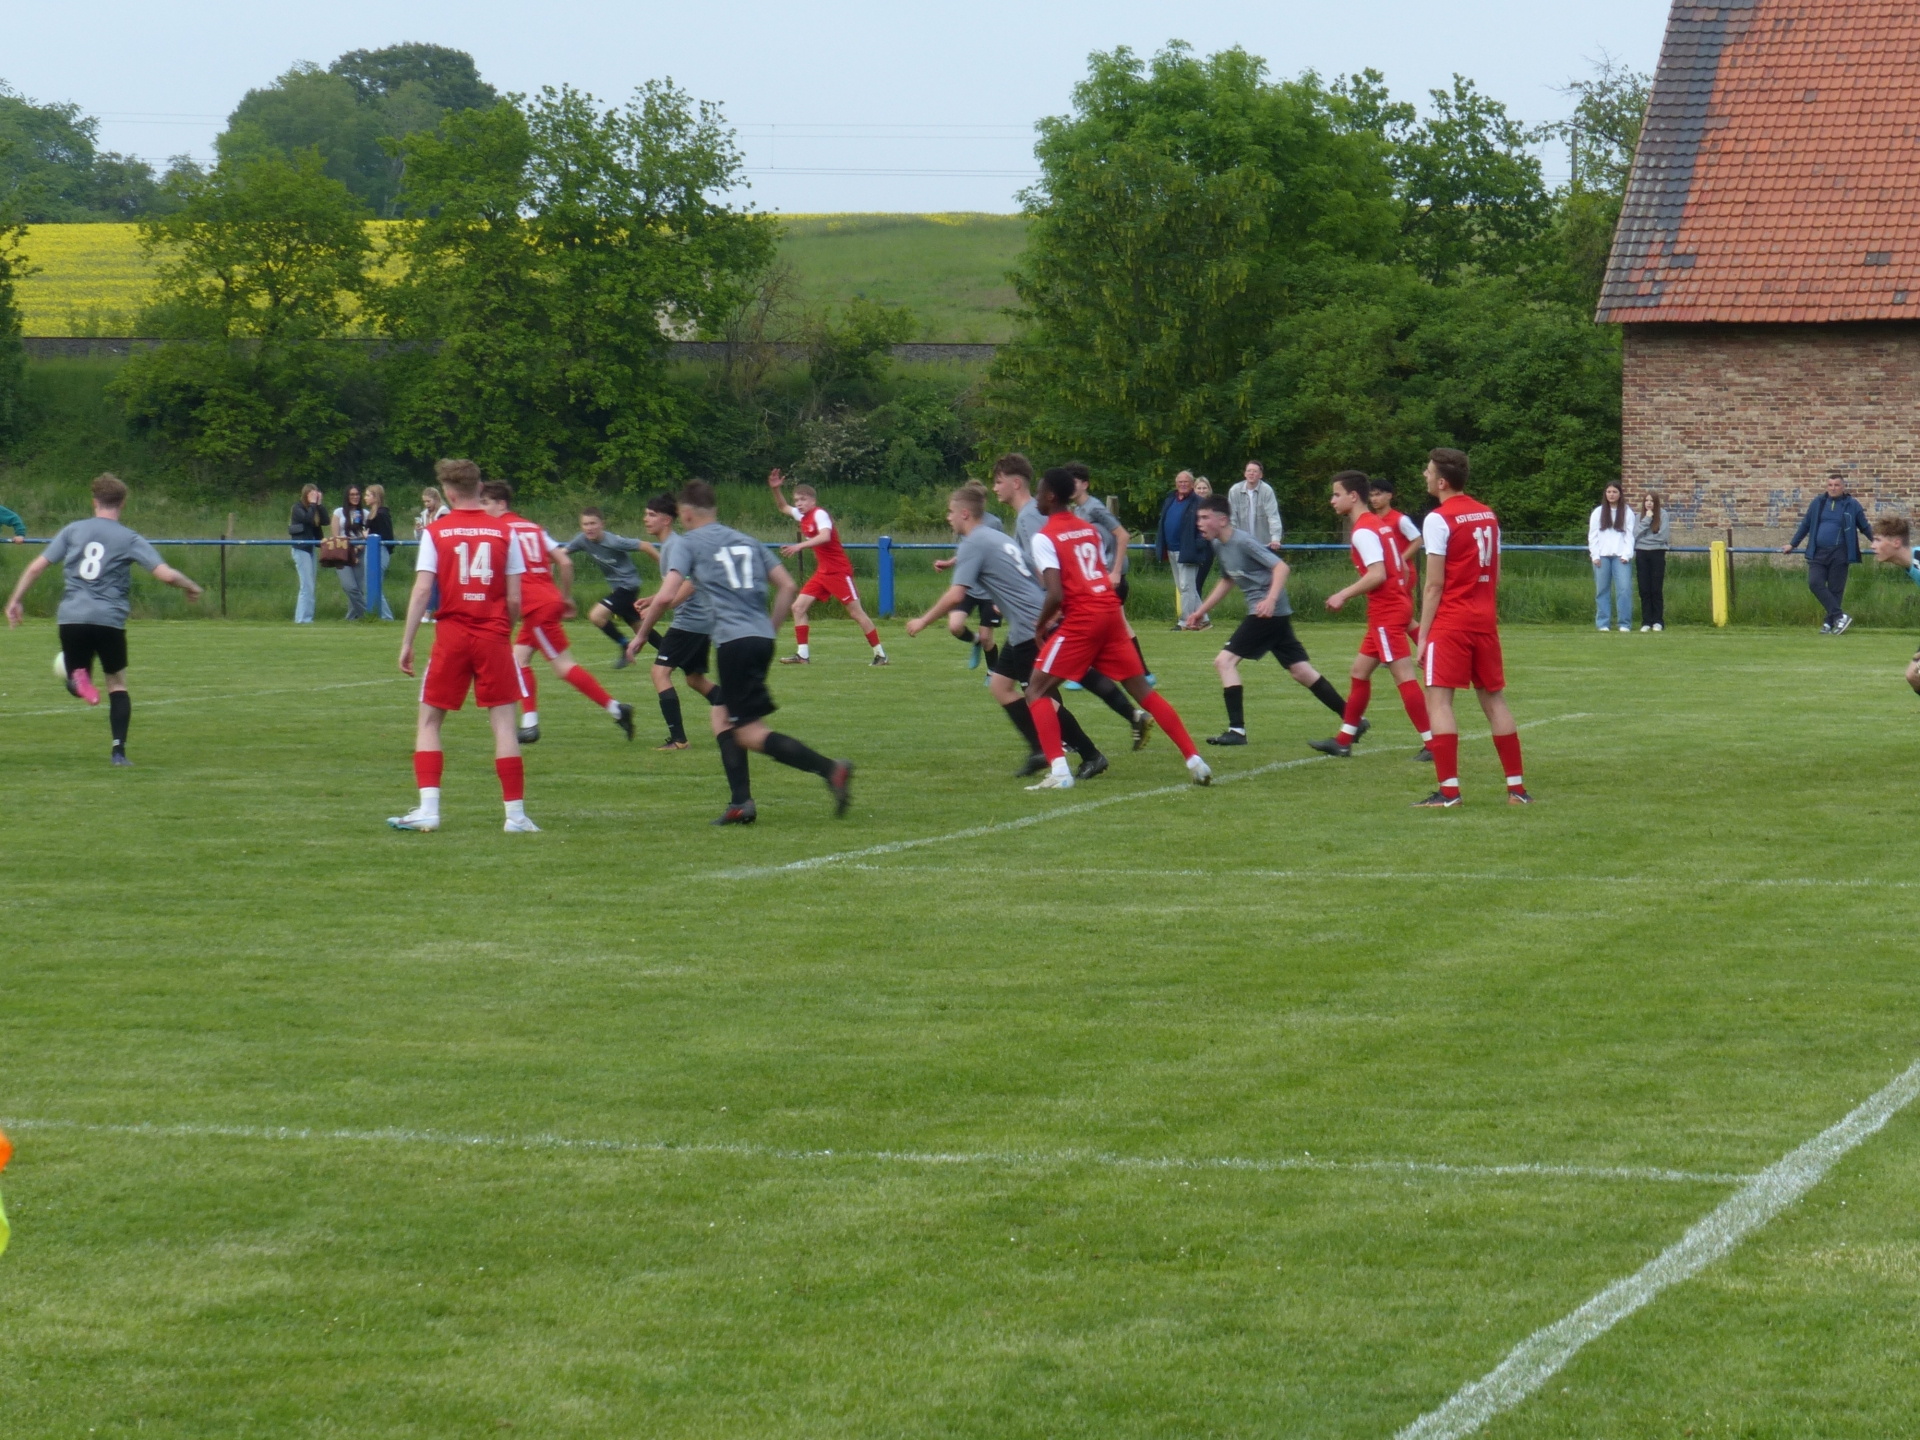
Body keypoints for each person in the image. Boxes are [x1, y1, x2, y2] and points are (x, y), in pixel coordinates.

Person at [637, 480, 853, 825]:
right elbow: (787, 586)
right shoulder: (747, 540)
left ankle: (831, 770)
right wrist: (770, 629)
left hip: (733, 643)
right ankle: (740, 803)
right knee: (722, 717)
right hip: (758, 639)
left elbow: (665, 596)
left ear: (685, 514)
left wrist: (640, 637)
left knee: (749, 732)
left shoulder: (688, 542)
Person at [1024, 467, 1211, 790]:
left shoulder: (1044, 536)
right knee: (1144, 692)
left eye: (1040, 491)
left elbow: (1055, 593)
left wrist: (1041, 625)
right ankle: (1195, 760)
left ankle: (1060, 771)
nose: (1036, 498)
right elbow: (1091, 574)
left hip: (1084, 618)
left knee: (1035, 690)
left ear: (1051, 496)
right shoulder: (1087, 530)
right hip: (1110, 612)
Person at [904, 484, 1107, 779]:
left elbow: (956, 594)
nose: (948, 517)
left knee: (1039, 696)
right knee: (1000, 686)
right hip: (1026, 624)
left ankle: (1090, 754)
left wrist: (923, 621)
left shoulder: (974, 542)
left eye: (950, 512)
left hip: (1029, 627)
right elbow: (1036, 571)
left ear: (964, 513)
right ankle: (1039, 748)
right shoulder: (996, 536)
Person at [5, 473, 204, 766]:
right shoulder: (129, 538)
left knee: (76, 672)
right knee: (117, 684)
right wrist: (190, 586)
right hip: (108, 619)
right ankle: (118, 753)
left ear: (94, 502)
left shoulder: (73, 530)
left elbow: (37, 567)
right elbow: (165, 574)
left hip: (71, 617)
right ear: (122, 503)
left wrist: (15, 600)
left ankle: (78, 680)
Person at [389, 459, 537, 834]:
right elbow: (515, 598)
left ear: (448, 493)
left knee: (429, 721)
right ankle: (516, 816)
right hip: (493, 635)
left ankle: (429, 809)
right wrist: (502, 629)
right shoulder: (505, 532)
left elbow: (423, 589)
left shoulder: (436, 531)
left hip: (452, 635)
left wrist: (408, 642)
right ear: (480, 488)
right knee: (504, 726)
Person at [992, 452, 1151, 747]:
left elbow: (1047, 568)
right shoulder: (1030, 515)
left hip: (1040, 612)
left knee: (1040, 682)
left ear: (1016, 483)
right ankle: (1130, 715)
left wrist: (1046, 607)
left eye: (998, 481)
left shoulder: (1030, 517)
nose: (994, 488)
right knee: (1073, 673)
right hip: (1038, 610)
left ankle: (1072, 746)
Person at [1414, 447, 1531, 806]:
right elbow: (1495, 571)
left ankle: (1449, 793)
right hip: (1484, 620)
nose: (1425, 475)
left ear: (1442, 482)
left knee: (1439, 701)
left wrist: (1423, 636)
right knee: (1494, 700)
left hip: (1451, 621)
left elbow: (1434, 584)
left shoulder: (1438, 518)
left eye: (1429, 471)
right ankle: (1517, 790)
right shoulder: (1488, 514)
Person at [1182, 494, 1349, 745]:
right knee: (1301, 671)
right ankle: (1353, 719)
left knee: (1224, 662)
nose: (1200, 523)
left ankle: (1237, 731)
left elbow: (1281, 567)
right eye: (1199, 518)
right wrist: (1200, 611)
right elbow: (1228, 580)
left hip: (1266, 613)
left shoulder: (1243, 542)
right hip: (1271, 614)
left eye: (1205, 518)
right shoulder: (1219, 545)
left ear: (1222, 519)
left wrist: (1269, 600)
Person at [481, 480, 634, 746]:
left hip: (535, 607)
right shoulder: (533, 528)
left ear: (501, 504)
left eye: (486, 503)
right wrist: (565, 596)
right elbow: (564, 561)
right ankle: (530, 724)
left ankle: (617, 709)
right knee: (519, 660)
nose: (482, 508)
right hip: (545, 602)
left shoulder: (500, 530)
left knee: (564, 667)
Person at [1311, 472, 1433, 759]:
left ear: (1353, 496)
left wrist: (1343, 594)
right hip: (1392, 607)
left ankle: (1433, 743)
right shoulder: (1378, 524)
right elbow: (1398, 568)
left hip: (1386, 612)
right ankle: (1344, 740)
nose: (1332, 500)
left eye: (1337, 494)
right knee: (1359, 672)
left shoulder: (1364, 530)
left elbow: (1377, 574)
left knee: (1404, 676)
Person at [767, 470, 888, 666]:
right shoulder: (802, 516)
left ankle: (880, 654)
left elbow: (825, 536)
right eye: (796, 500)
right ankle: (802, 655)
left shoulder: (819, 514)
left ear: (813, 501)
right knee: (798, 607)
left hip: (838, 571)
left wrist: (799, 546)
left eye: (803, 499)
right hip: (823, 572)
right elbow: (782, 507)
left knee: (856, 613)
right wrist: (775, 489)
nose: (799, 503)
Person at [628, 493, 717, 750]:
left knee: (659, 672)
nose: (646, 519)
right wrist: (652, 599)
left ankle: (679, 740)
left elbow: (689, 585)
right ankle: (738, 713)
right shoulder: (672, 545)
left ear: (667, 520)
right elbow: (675, 586)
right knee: (695, 680)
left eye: (652, 515)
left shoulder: (675, 546)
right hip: (701, 622)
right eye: (646, 514)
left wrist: (660, 609)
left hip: (691, 621)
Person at [1782, 472, 1874, 633]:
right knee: (1815, 583)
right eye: (1830, 485)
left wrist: (1878, 542)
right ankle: (1840, 617)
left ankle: (1828, 624)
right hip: (1818, 552)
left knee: (1835, 590)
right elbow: (1805, 524)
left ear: (1843, 487)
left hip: (1840, 552)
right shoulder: (1818, 502)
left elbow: (1864, 527)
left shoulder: (1852, 505)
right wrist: (1792, 544)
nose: (1833, 488)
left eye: (1836, 485)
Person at [930, 480, 1004, 670]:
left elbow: (996, 555)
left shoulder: (994, 523)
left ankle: (992, 673)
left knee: (987, 637)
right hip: (969, 587)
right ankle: (975, 641)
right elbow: (967, 552)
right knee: (955, 626)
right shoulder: (963, 522)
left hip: (989, 590)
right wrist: (949, 563)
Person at [564, 507, 647, 665]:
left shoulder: (613, 541)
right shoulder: (582, 540)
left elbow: (646, 546)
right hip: (618, 589)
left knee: (596, 615)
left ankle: (625, 645)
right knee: (642, 631)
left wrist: (665, 567)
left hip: (628, 587)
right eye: (585, 524)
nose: (589, 528)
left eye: (593, 523)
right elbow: (562, 553)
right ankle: (671, 652)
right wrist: (539, 559)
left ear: (602, 524)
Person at [1868, 515, 1920, 697]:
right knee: (1914, 676)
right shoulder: (1912, 564)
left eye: (1877, 540)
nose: (1872, 546)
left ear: (1896, 542)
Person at [1157, 470, 1205, 628]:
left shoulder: (1198, 502)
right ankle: (1203, 619)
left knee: (1186, 587)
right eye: (1180, 482)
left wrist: (1198, 545)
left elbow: (1204, 527)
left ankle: (1185, 622)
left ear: (1192, 484)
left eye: (1186, 482)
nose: (1183, 484)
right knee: (1184, 587)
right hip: (1171, 550)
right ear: (1176, 483)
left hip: (1187, 550)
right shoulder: (1170, 500)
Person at [1588, 482, 1635, 632]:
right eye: (1609, 492)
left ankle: (1624, 623)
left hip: (1620, 557)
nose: (1611, 494)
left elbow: (1629, 536)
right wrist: (1595, 555)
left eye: (1614, 492)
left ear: (1620, 494)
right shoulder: (1598, 512)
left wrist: (1626, 554)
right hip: (1602, 557)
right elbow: (1593, 536)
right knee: (1602, 590)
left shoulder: (1627, 512)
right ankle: (1603, 623)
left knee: (1624, 589)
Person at [288, 484, 327, 624]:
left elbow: (326, 521)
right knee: (306, 585)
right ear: (306, 495)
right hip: (301, 548)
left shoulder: (314, 508)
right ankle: (302, 618)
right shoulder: (297, 508)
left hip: (310, 549)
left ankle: (306, 617)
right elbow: (308, 520)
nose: (314, 497)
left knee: (311, 584)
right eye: (312, 494)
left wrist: (319, 505)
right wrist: (312, 504)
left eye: (316, 494)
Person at [331, 484, 370, 621]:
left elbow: (366, 535)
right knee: (349, 586)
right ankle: (367, 614)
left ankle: (351, 618)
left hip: (360, 549)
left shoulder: (365, 513)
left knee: (359, 587)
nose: (355, 497)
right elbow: (335, 535)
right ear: (347, 496)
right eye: (352, 494)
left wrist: (358, 548)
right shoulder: (338, 512)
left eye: (357, 494)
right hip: (342, 550)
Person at [1635, 489, 1671, 632]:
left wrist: (1645, 540)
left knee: (1656, 589)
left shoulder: (1663, 515)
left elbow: (1663, 536)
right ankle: (1646, 622)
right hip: (1641, 554)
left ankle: (1658, 621)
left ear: (1656, 502)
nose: (1649, 503)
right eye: (1646, 500)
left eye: (1651, 501)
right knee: (1644, 589)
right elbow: (1635, 534)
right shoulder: (1639, 517)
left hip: (1657, 553)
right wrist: (1647, 519)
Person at [1228, 461, 1284, 553]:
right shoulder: (1234, 491)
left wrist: (1275, 539)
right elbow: (1231, 517)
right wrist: (1230, 539)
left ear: (1260, 475)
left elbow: (1273, 516)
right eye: (1249, 471)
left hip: (1264, 545)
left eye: (1254, 471)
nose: (1251, 473)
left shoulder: (1267, 490)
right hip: (1241, 545)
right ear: (1245, 474)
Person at [415, 486, 449, 622]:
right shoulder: (424, 514)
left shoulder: (444, 513)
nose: (426, 504)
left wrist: (426, 529)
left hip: (442, 550)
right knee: (431, 582)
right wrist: (418, 531)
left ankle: (431, 613)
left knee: (437, 583)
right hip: (430, 551)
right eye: (424, 501)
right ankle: (432, 613)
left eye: (428, 501)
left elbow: (441, 531)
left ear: (436, 499)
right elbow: (421, 538)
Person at [364, 484, 396, 621]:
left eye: (368, 495)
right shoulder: (372, 513)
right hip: (371, 549)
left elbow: (387, 535)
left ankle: (386, 617)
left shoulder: (382, 514)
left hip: (379, 551)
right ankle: (381, 615)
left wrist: (369, 536)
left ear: (376, 497)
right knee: (370, 583)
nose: (365, 498)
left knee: (375, 583)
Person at [1191, 477, 1216, 599]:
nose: (1201, 491)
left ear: (1209, 489)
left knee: (1198, 582)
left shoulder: (1214, 507)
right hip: (1192, 547)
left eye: (1204, 488)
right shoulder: (1190, 505)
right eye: (1199, 488)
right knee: (1190, 583)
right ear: (1194, 489)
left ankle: (1198, 608)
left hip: (1208, 548)